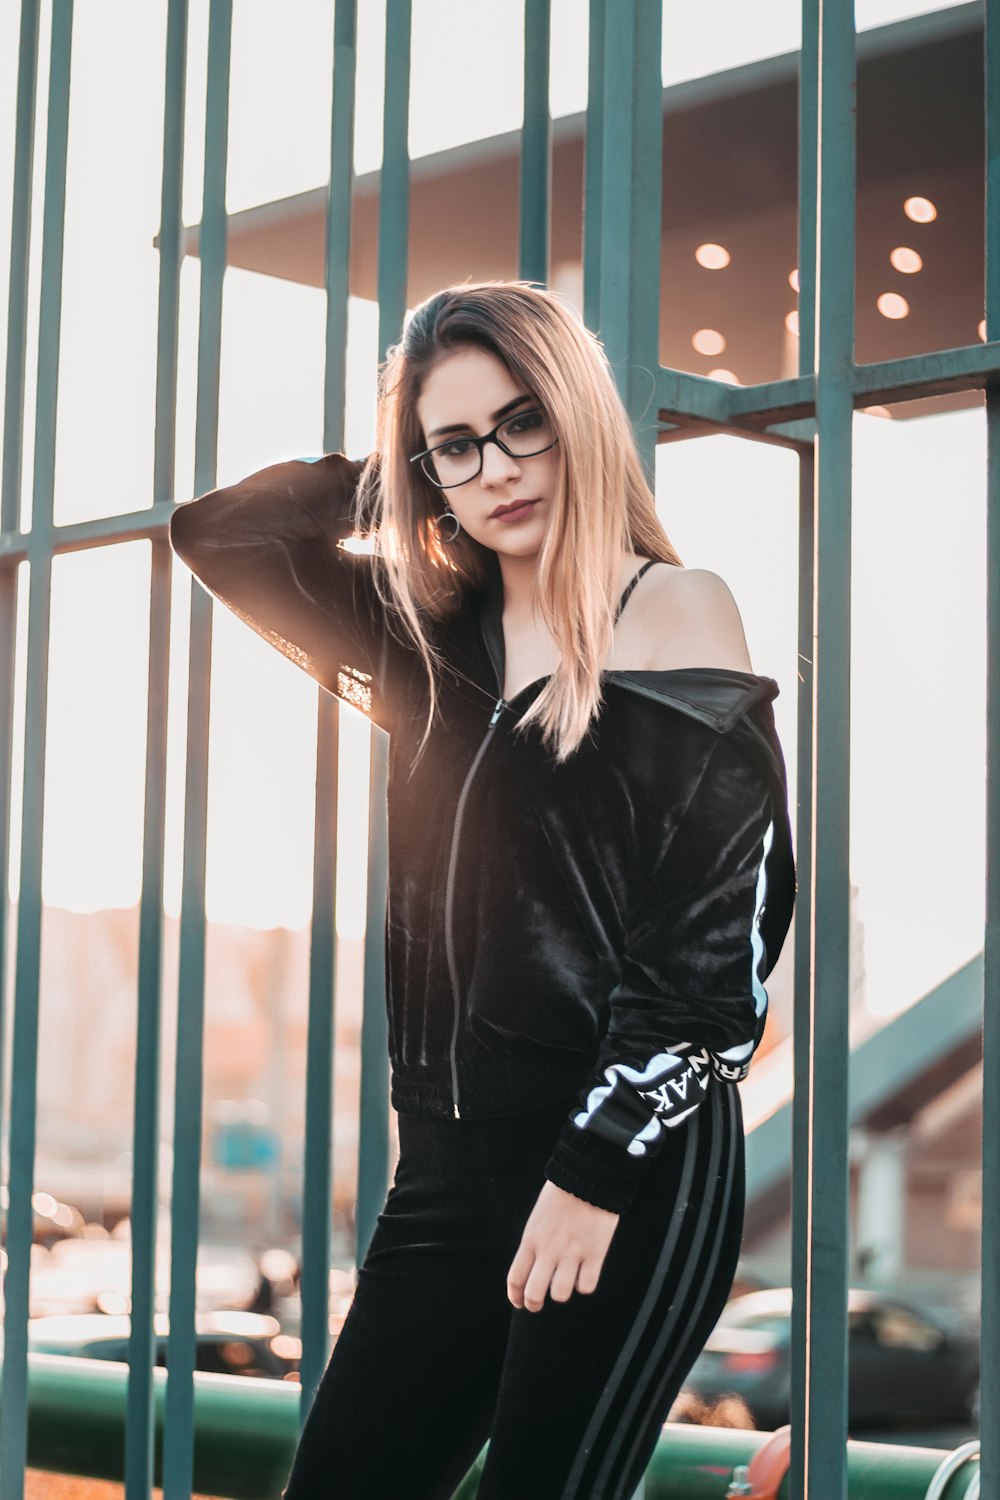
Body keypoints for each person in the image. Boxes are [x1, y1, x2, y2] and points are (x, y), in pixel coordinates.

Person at [168, 279, 796, 1500]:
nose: (499, 466)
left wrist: (593, 1173)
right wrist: (409, 475)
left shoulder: (670, 611)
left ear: (578, 415)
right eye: (457, 444)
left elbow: (714, 954)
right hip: (445, 1171)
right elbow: (219, 535)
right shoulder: (426, 639)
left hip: (626, 1166)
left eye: (525, 423)